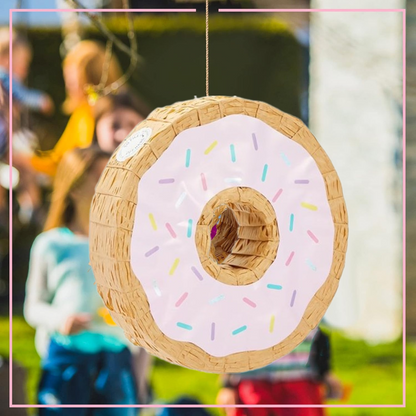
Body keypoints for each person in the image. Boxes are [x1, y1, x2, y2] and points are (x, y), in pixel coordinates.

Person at [24, 146, 138, 414]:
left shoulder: (125, 245)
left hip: (115, 360)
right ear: (74, 187)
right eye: (101, 176)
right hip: (66, 361)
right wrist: (60, 321)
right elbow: (33, 307)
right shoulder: (50, 244)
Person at [30, 40, 123, 176]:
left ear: (90, 80)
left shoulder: (88, 114)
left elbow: (63, 162)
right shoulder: (116, 107)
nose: (68, 86)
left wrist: (26, 161)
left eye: (72, 81)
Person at [216, 327, 344, 416]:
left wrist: (325, 371)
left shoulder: (303, 297)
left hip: (298, 381)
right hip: (253, 382)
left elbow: (319, 336)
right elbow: (232, 341)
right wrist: (227, 385)